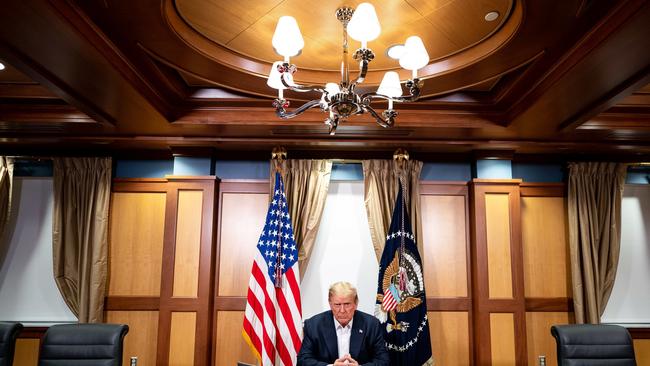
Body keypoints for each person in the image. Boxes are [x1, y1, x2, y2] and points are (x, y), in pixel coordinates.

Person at [297, 281, 389, 366]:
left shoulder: (371, 324)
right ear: (330, 304)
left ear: (356, 303)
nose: (342, 310)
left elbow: (383, 360)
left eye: (347, 304)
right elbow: (303, 360)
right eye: (337, 305)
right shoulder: (314, 325)